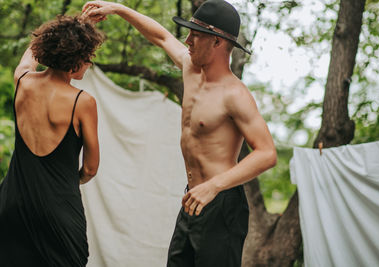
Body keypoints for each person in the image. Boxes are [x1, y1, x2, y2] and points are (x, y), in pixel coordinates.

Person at [83, 0, 277, 266]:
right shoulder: (190, 68)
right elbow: (160, 36)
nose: (187, 40)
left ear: (217, 42)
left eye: (195, 35)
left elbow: (267, 153)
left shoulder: (235, 95)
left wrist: (213, 186)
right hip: (192, 198)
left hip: (221, 203)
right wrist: (118, 9)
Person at [0, 14, 104, 266]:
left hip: (11, 204)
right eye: (88, 58)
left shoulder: (23, 81)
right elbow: (90, 169)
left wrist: (71, 27)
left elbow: (31, 54)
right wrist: (67, 181)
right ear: (75, 60)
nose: (89, 64)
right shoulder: (82, 102)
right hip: (57, 212)